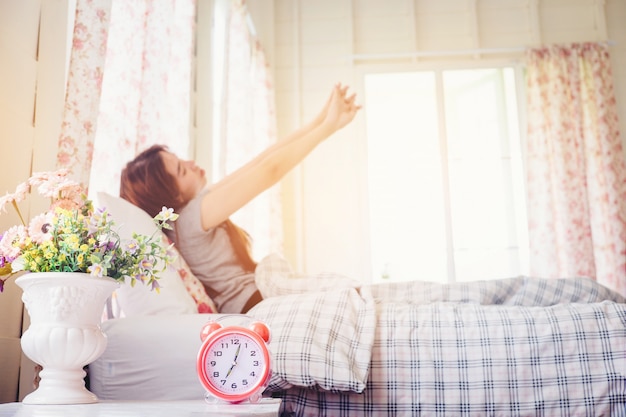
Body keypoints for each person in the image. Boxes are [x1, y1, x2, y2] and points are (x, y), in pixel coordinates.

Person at [119, 83, 361, 314]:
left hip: (256, 299)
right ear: (172, 196)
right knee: (347, 297)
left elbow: (261, 161)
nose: (191, 164)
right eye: (182, 170)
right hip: (253, 305)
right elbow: (270, 170)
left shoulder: (190, 215)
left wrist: (324, 119)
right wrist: (327, 127)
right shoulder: (191, 219)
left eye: (182, 161)